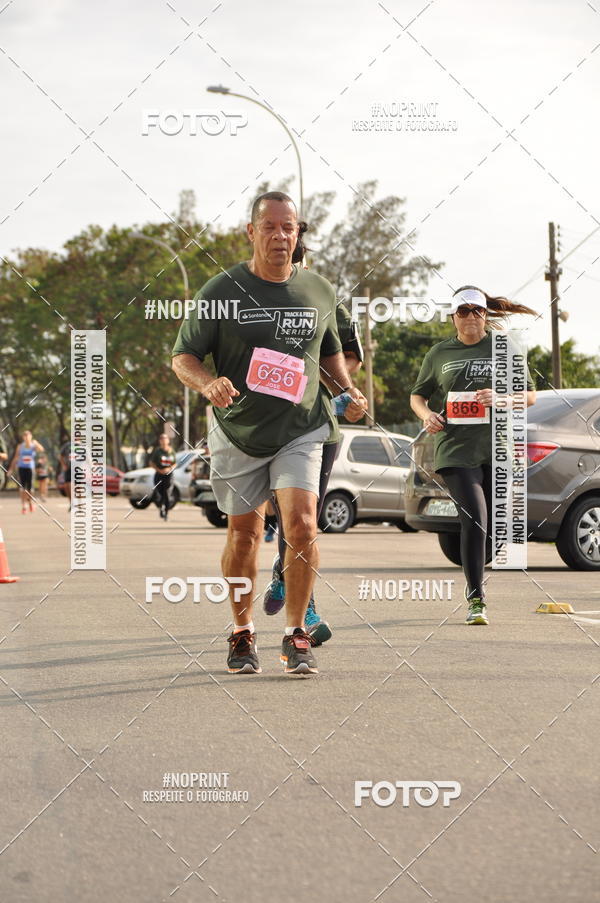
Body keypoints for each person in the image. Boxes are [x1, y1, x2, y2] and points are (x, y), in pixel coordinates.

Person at [172, 190, 367, 676]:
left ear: (298, 233)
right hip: (238, 430)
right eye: (270, 226)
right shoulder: (220, 291)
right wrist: (208, 382)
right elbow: (183, 357)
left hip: (301, 428)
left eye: (288, 227)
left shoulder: (318, 289)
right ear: (251, 231)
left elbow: (329, 354)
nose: (280, 236)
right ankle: (242, 631)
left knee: (303, 524)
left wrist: (348, 391)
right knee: (245, 535)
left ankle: (296, 632)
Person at [410, 285, 537, 626]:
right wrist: (427, 415)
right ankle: (476, 598)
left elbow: (529, 396)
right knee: (475, 518)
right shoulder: (439, 353)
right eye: (463, 311)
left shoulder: (503, 347)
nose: (470, 316)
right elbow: (417, 396)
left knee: (492, 525)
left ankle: (477, 565)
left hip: (497, 449)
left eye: (477, 310)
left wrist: (501, 399)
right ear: (453, 317)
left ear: (485, 314)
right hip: (455, 450)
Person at [263, 295, 364, 646]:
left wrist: (316, 374)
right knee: (290, 519)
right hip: (272, 427)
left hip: (322, 425)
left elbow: (353, 358)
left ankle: (285, 576)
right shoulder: (256, 296)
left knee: (306, 523)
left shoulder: (327, 302)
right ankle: (307, 610)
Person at [7, 430, 44, 513]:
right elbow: (16, 458)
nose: (27, 437)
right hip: (21, 468)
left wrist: (37, 443)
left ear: (31, 436)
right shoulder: (20, 446)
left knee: (30, 488)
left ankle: (30, 503)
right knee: (22, 488)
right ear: (23, 437)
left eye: (28, 436)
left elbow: (41, 449)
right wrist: (11, 469)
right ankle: (24, 506)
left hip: (30, 468)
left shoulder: (33, 446)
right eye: (25, 436)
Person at [149, 434, 176, 520]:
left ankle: (166, 513)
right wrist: (159, 470)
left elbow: (175, 463)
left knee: (167, 493)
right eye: (162, 439)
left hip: (169, 475)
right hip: (159, 475)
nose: (164, 440)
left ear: (168, 440)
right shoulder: (157, 452)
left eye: (165, 438)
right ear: (160, 441)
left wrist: (169, 469)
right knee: (160, 494)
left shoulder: (171, 451)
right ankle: (161, 508)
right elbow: (151, 463)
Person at [59, 432, 73, 509]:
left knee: (78, 487)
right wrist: (64, 465)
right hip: (68, 468)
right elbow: (60, 456)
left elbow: (88, 458)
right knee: (67, 486)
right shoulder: (67, 446)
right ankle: (71, 503)